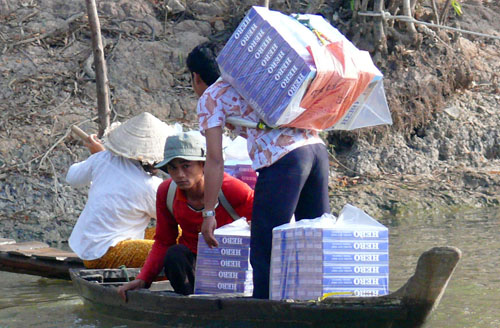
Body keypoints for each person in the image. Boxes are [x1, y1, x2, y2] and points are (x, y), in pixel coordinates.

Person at [188, 42, 330, 299]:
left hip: (284, 160)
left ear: (196, 77)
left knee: (265, 249)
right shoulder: (252, 79)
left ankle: (265, 317)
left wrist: (209, 213)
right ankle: (321, 307)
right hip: (317, 150)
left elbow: (214, 159)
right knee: (313, 240)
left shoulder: (211, 96)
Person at [117, 132, 254, 298]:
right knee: (175, 254)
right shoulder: (167, 192)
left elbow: (261, 224)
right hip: (193, 265)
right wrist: (143, 279)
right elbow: (163, 241)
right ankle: (191, 302)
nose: (180, 174)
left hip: (230, 263)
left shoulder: (231, 189)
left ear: (202, 165)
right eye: (173, 168)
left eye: (186, 166)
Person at [66, 112, 174, 269]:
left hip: (87, 247)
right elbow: (170, 218)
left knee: (178, 234)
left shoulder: (103, 158)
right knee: (177, 248)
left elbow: (72, 178)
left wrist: (99, 156)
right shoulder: (150, 186)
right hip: (104, 254)